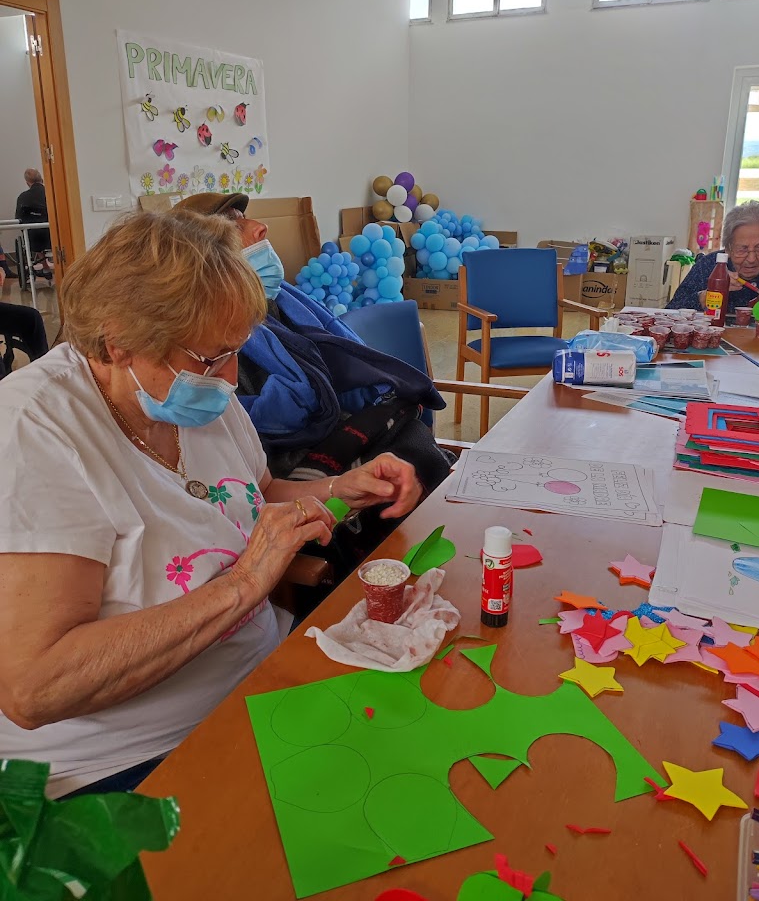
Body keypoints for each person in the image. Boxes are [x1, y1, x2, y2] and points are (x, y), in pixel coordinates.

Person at [0, 208, 421, 799]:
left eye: (236, 352)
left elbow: (255, 498)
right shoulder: (34, 430)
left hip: (260, 685)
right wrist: (246, 583)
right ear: (119, 341)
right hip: (126, 761)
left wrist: (341, 490)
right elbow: (33, 688)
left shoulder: (191, 396)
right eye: (211, 358)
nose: (230, 379)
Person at [171, 193, 454, 575]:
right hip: (299, 460)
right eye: (235, 224)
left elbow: (265, 481)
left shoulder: (279, 303)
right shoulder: (201, 365)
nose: (260, 228)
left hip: (332, 448)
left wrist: (342, 485)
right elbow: (263, 474)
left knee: (412, 455)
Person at [668, 200, 759, 312]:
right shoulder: (709, 265)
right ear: (728, 249)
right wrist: (708, 295)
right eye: (742, 249)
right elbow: (671, 310)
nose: (751, 259)